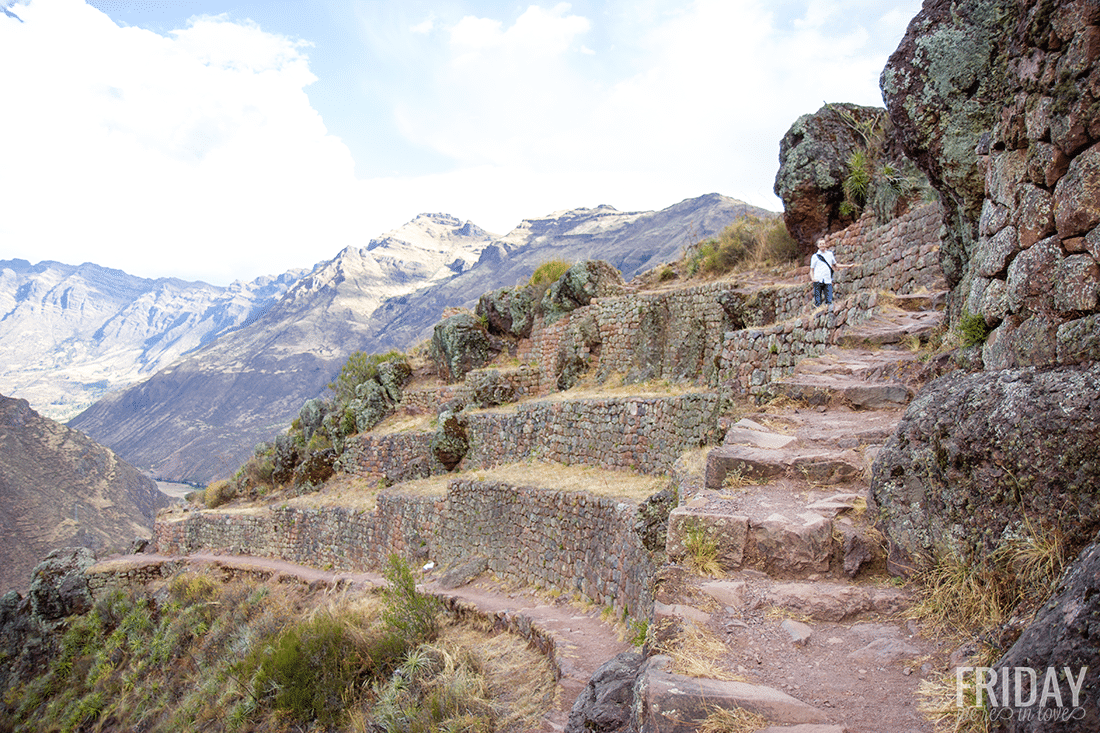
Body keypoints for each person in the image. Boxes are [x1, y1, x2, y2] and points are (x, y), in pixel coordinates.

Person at [810, 238, 837, 307]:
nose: (822, 245)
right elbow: (811, 269)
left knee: (829, 301)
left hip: (827, 280)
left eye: (823, 243)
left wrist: (848, 266)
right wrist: (813, 278)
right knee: (818, 302)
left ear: (825, 244)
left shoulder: (830, 254)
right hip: (818, 280)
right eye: (820, 244)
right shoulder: (815, 256)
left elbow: (835, 265)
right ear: (818, 245)